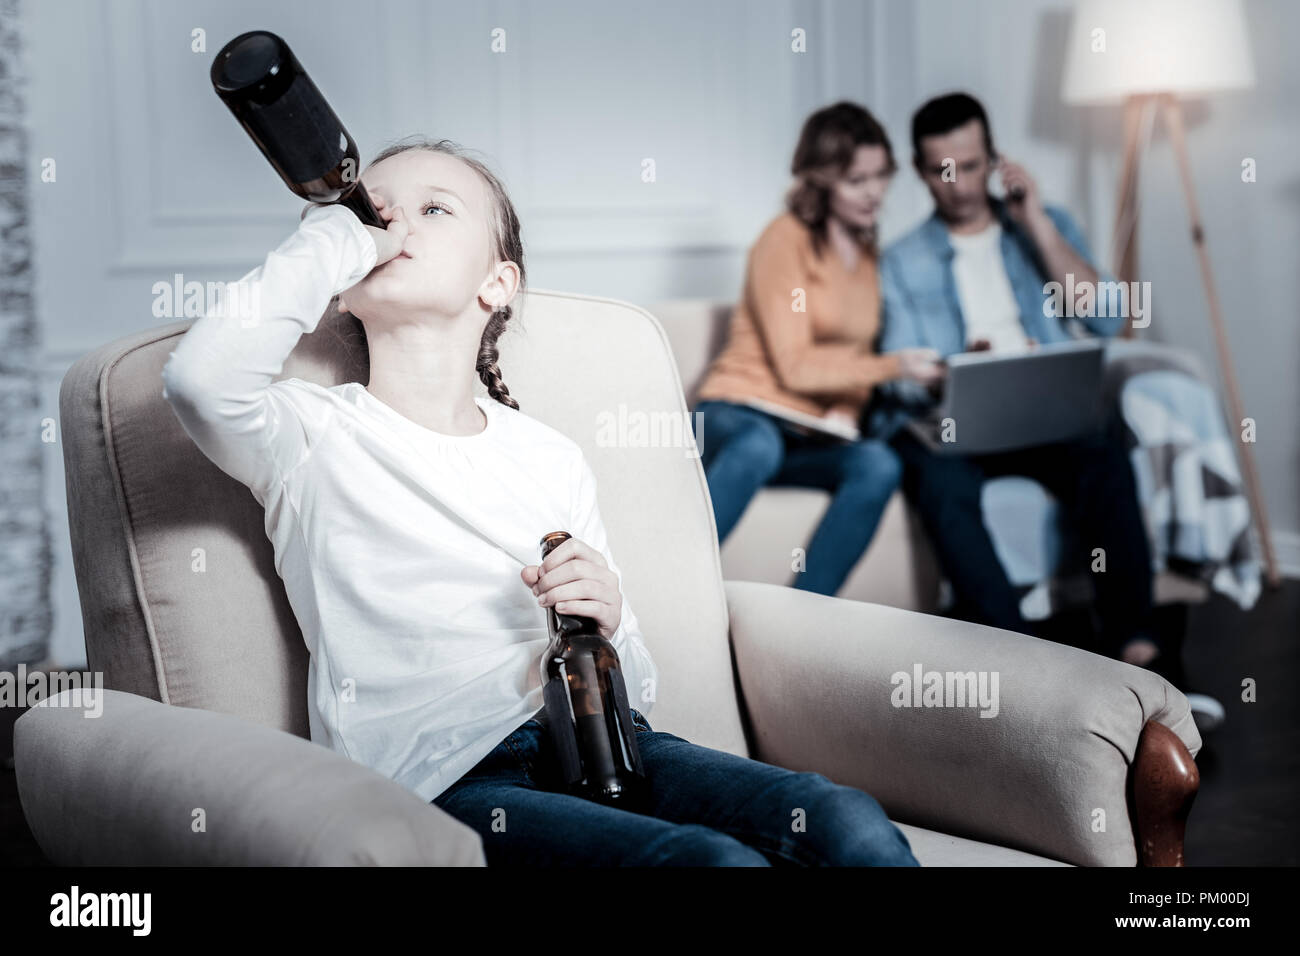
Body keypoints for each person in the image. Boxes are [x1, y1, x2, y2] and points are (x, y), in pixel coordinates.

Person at [161, 136, 918, 867]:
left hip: (609, 738)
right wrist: (333, 237)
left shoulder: (548, 456)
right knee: (704, 860)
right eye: (375, 209)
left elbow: (639, 681)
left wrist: (613, 617)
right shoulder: (311, 433)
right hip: (450, 782)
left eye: (434, 210)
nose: (388, 222)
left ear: (497, 283)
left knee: (845, 819)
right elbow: (202, 380)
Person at [871, 91, 1163, 670]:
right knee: (933, 473)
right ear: (920, 172)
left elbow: (1107, 315)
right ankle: (1017, 658)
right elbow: (897, 375)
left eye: (972, 166)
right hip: (957, 417)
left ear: (995, 160)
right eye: (941, 170)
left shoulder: (1046, 227)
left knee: (1103, 447)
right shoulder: (900, 261)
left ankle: (1138, 647)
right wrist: (955, 369)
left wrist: (1034, 220)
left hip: (1045, 413)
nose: (958, 184)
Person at [692, 102, 942, 596]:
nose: (874, 193)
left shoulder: (868, 252)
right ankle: (668, 591)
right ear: (822, 179)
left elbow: (852, 361)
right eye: (856, 180)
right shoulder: (783, 239)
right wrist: (896, 367)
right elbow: (796, 366)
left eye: (880, 176)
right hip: (737, 412)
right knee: (758, 444)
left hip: (806, 433)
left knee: (878, 463)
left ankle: (804, 616)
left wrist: (847, 413)